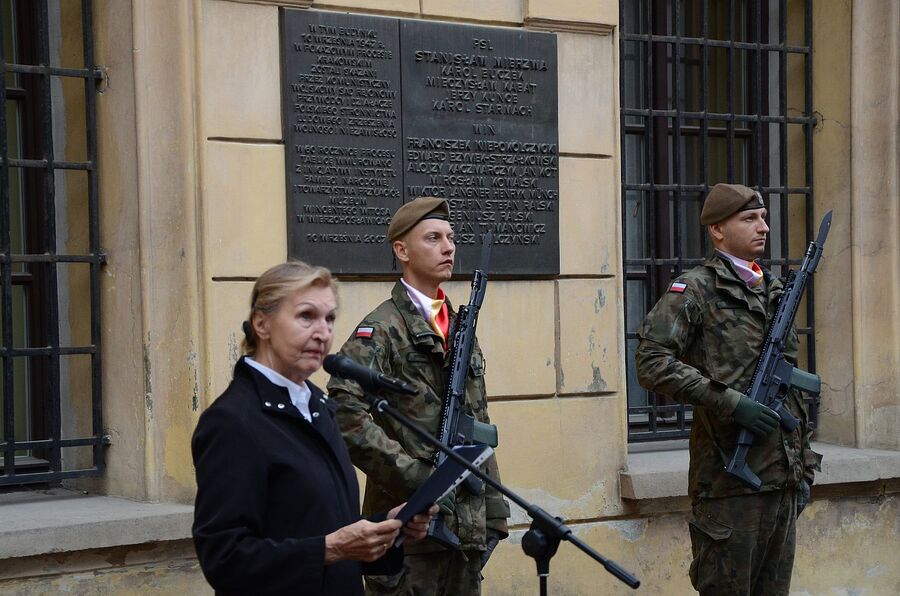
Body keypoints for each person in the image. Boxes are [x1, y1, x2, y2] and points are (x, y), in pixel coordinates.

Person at [191, 261, 435, 596]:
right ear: (262, 324)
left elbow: (322, 525)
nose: (323, 333)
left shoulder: (318, 406)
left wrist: (385, 527)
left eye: (330, 318)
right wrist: (330, 548)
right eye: (306, 316)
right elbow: (225, 559)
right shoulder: (233, 421)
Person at [635, 183, 822, 596]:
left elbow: (787, 383)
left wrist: (802, 465)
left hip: (780, 480)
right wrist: (731, 402)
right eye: (749, 219)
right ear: (718, 230)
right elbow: (651, 363)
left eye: (764, 218)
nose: (763, 227)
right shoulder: (697, 289)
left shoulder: (774, 290)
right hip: (727, 484)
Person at [327, 197, 510, 596]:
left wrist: (493, 510)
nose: (448, 247)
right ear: (402, 250)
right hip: (407, 531)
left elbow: (475, 421)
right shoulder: (381, 329)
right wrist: (419, 479)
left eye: (451, 237)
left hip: (465, 530)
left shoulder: (459, 328)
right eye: (433, 238)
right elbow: (345, 413)